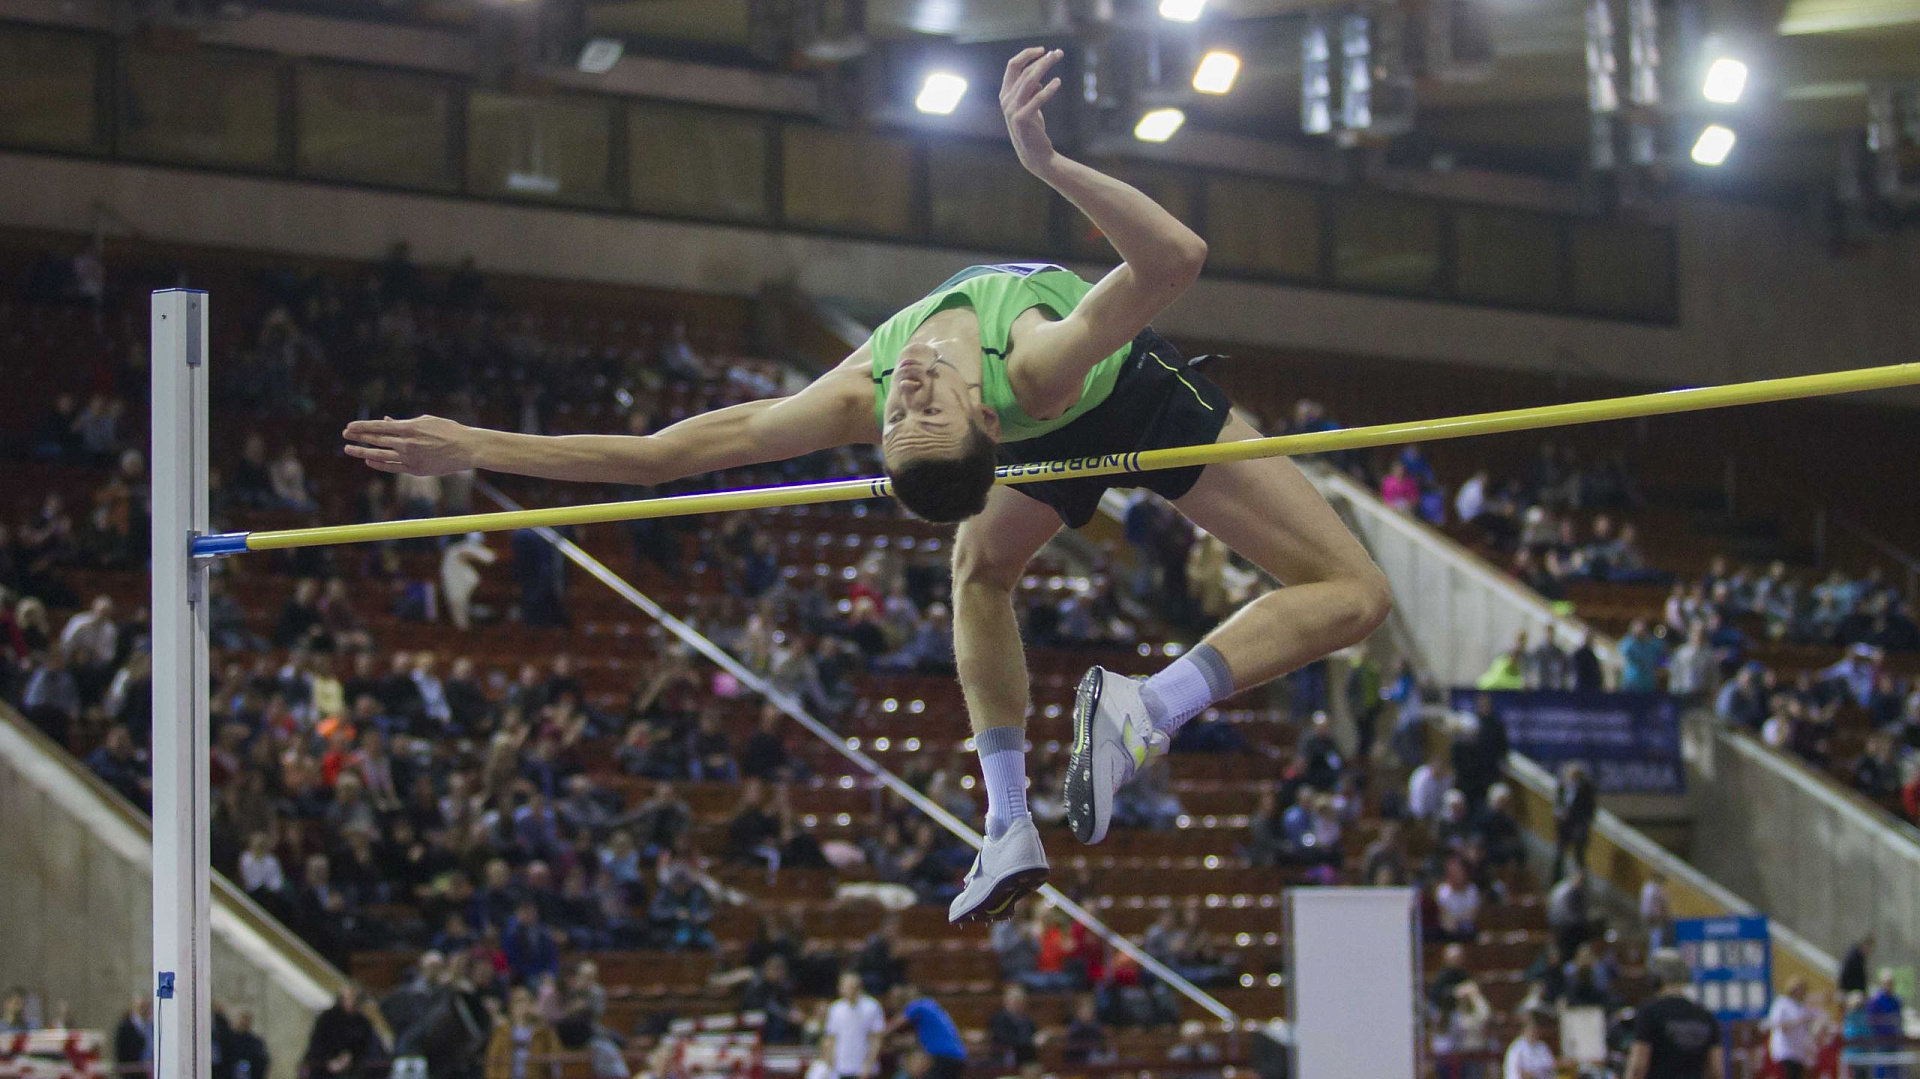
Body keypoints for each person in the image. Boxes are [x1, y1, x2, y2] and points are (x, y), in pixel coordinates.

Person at [345, 46, 1391, 924]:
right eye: (909, 411)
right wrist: (1049, 163)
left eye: (905, 409)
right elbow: (1173, 258)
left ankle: (1079, 760)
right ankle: (1072, 767)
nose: (904, 395)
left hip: (1091, 421)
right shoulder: (995, 379)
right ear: (985, 425)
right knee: (1313, 590)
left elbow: (659, 449)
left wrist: (472, 439)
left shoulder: (939, 378)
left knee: (1030, 575)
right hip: (1088, 418)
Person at [1625, 950, 1723, 1079]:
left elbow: (1638, 1066)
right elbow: (1716, 1070)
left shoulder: (1650, 1013)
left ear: (1655, 980)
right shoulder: (1706, 1016)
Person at [884, 984, 967, 1079]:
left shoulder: (919, 1005)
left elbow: (891, 1027)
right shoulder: (931, 1006)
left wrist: (875, 1034)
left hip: (944, 1056)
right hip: (957, 1056)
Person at [820, 972, 886, 1079]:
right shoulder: (835, 1009)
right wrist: (830, 1066)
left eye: (852, 986)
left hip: (864, 1068)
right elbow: (831, 1039)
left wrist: (869, 1065)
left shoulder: (872, 1007)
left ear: (859, 987)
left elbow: (876, 1039)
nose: (849, 990)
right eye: (845, 987)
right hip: (842, 1067)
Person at [484, 986, 559, 1079]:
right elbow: (492, 1061)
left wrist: (540, 1019)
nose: (523, 1005)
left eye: (526, 1000)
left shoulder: (542, 1032)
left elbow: (554, 1056)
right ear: (512, 1006)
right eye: (519, 1001)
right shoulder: (502, 1031)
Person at [440, 533, 496, 631]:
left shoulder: (461, 549)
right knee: (459, 614)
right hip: (457, 588)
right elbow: (489, 558)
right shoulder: (456, 550)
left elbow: (490, 558)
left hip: (471, 589)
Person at [1765, 977, 1819, 1079]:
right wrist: (1798, 1021)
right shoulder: (1782, 1004)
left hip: (1799, 1051)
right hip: (1785, 1050)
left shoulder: (1801, 1006)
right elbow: (1778, 1024)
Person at [1503, 1008, 1557, 1079]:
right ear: (1524, 1031)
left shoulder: (1542, 1046)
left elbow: (1550, 1064)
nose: (1533, 1033)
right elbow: (1517, 1071)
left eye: (1535, 1031)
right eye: (1531, 1030)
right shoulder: (1517, 1048)